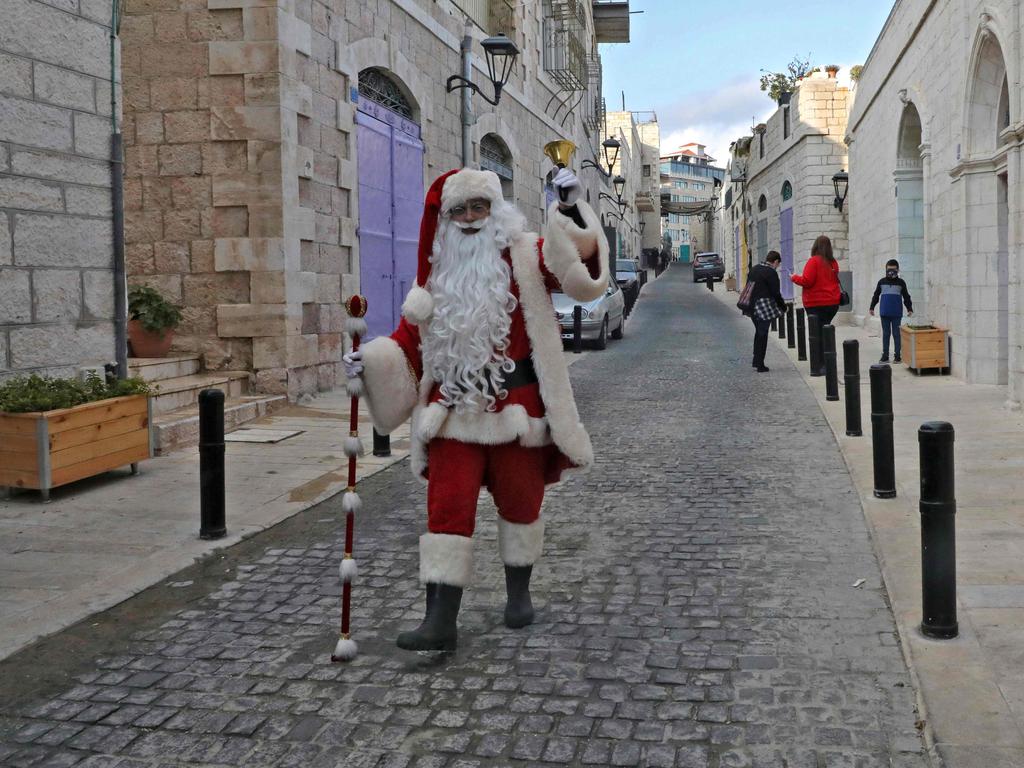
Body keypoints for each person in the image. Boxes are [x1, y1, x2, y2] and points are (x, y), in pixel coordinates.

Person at [342, 166, 607, 652]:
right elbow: (409, 343)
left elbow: (577, 272)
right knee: (446, 508)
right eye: (458, 210)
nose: (468, 218)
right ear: (446, 219)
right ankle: (439, 620)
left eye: (478, 208)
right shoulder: (436, 275)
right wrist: (368, 360)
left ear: (495, 211)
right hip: (453, 411)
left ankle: (519, 596)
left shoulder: (526, 253)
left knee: (522, 503)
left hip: (517, 412)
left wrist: (568, 208)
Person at [791, 235, 841, 374]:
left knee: (816, 334)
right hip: (832, 303)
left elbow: (807, 281)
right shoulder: (833, 263)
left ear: (815, 246)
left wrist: (794, 277)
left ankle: (819, 365)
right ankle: (828, 362)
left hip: (815, 303)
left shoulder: (813, 261)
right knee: (826, 331)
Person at [744, 251, 787, 372]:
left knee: (759, 333)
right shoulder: (771, 273)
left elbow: (748, 286)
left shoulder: (754, 269)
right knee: (762, 335)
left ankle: (756, 360)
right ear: (776, 261)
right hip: (763, 307)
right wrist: (783, 306)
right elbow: (776, 293)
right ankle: (759, 363)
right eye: (778, 264)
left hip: (751, 307)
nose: (777, 267)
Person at [869, 258, 914, 363]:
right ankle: (885, 355)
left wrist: (909, 308)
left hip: (896, 313)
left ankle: (897, 356)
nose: (891, 272)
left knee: (896, 334)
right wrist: (872, 307)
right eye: (889, 270)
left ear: (897, 270)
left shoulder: (901, 283)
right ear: (886, 269)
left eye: (893, 270)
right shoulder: (881, 282)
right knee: (886, 334)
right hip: (884, 313)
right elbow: (876, 295)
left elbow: (906, 296)